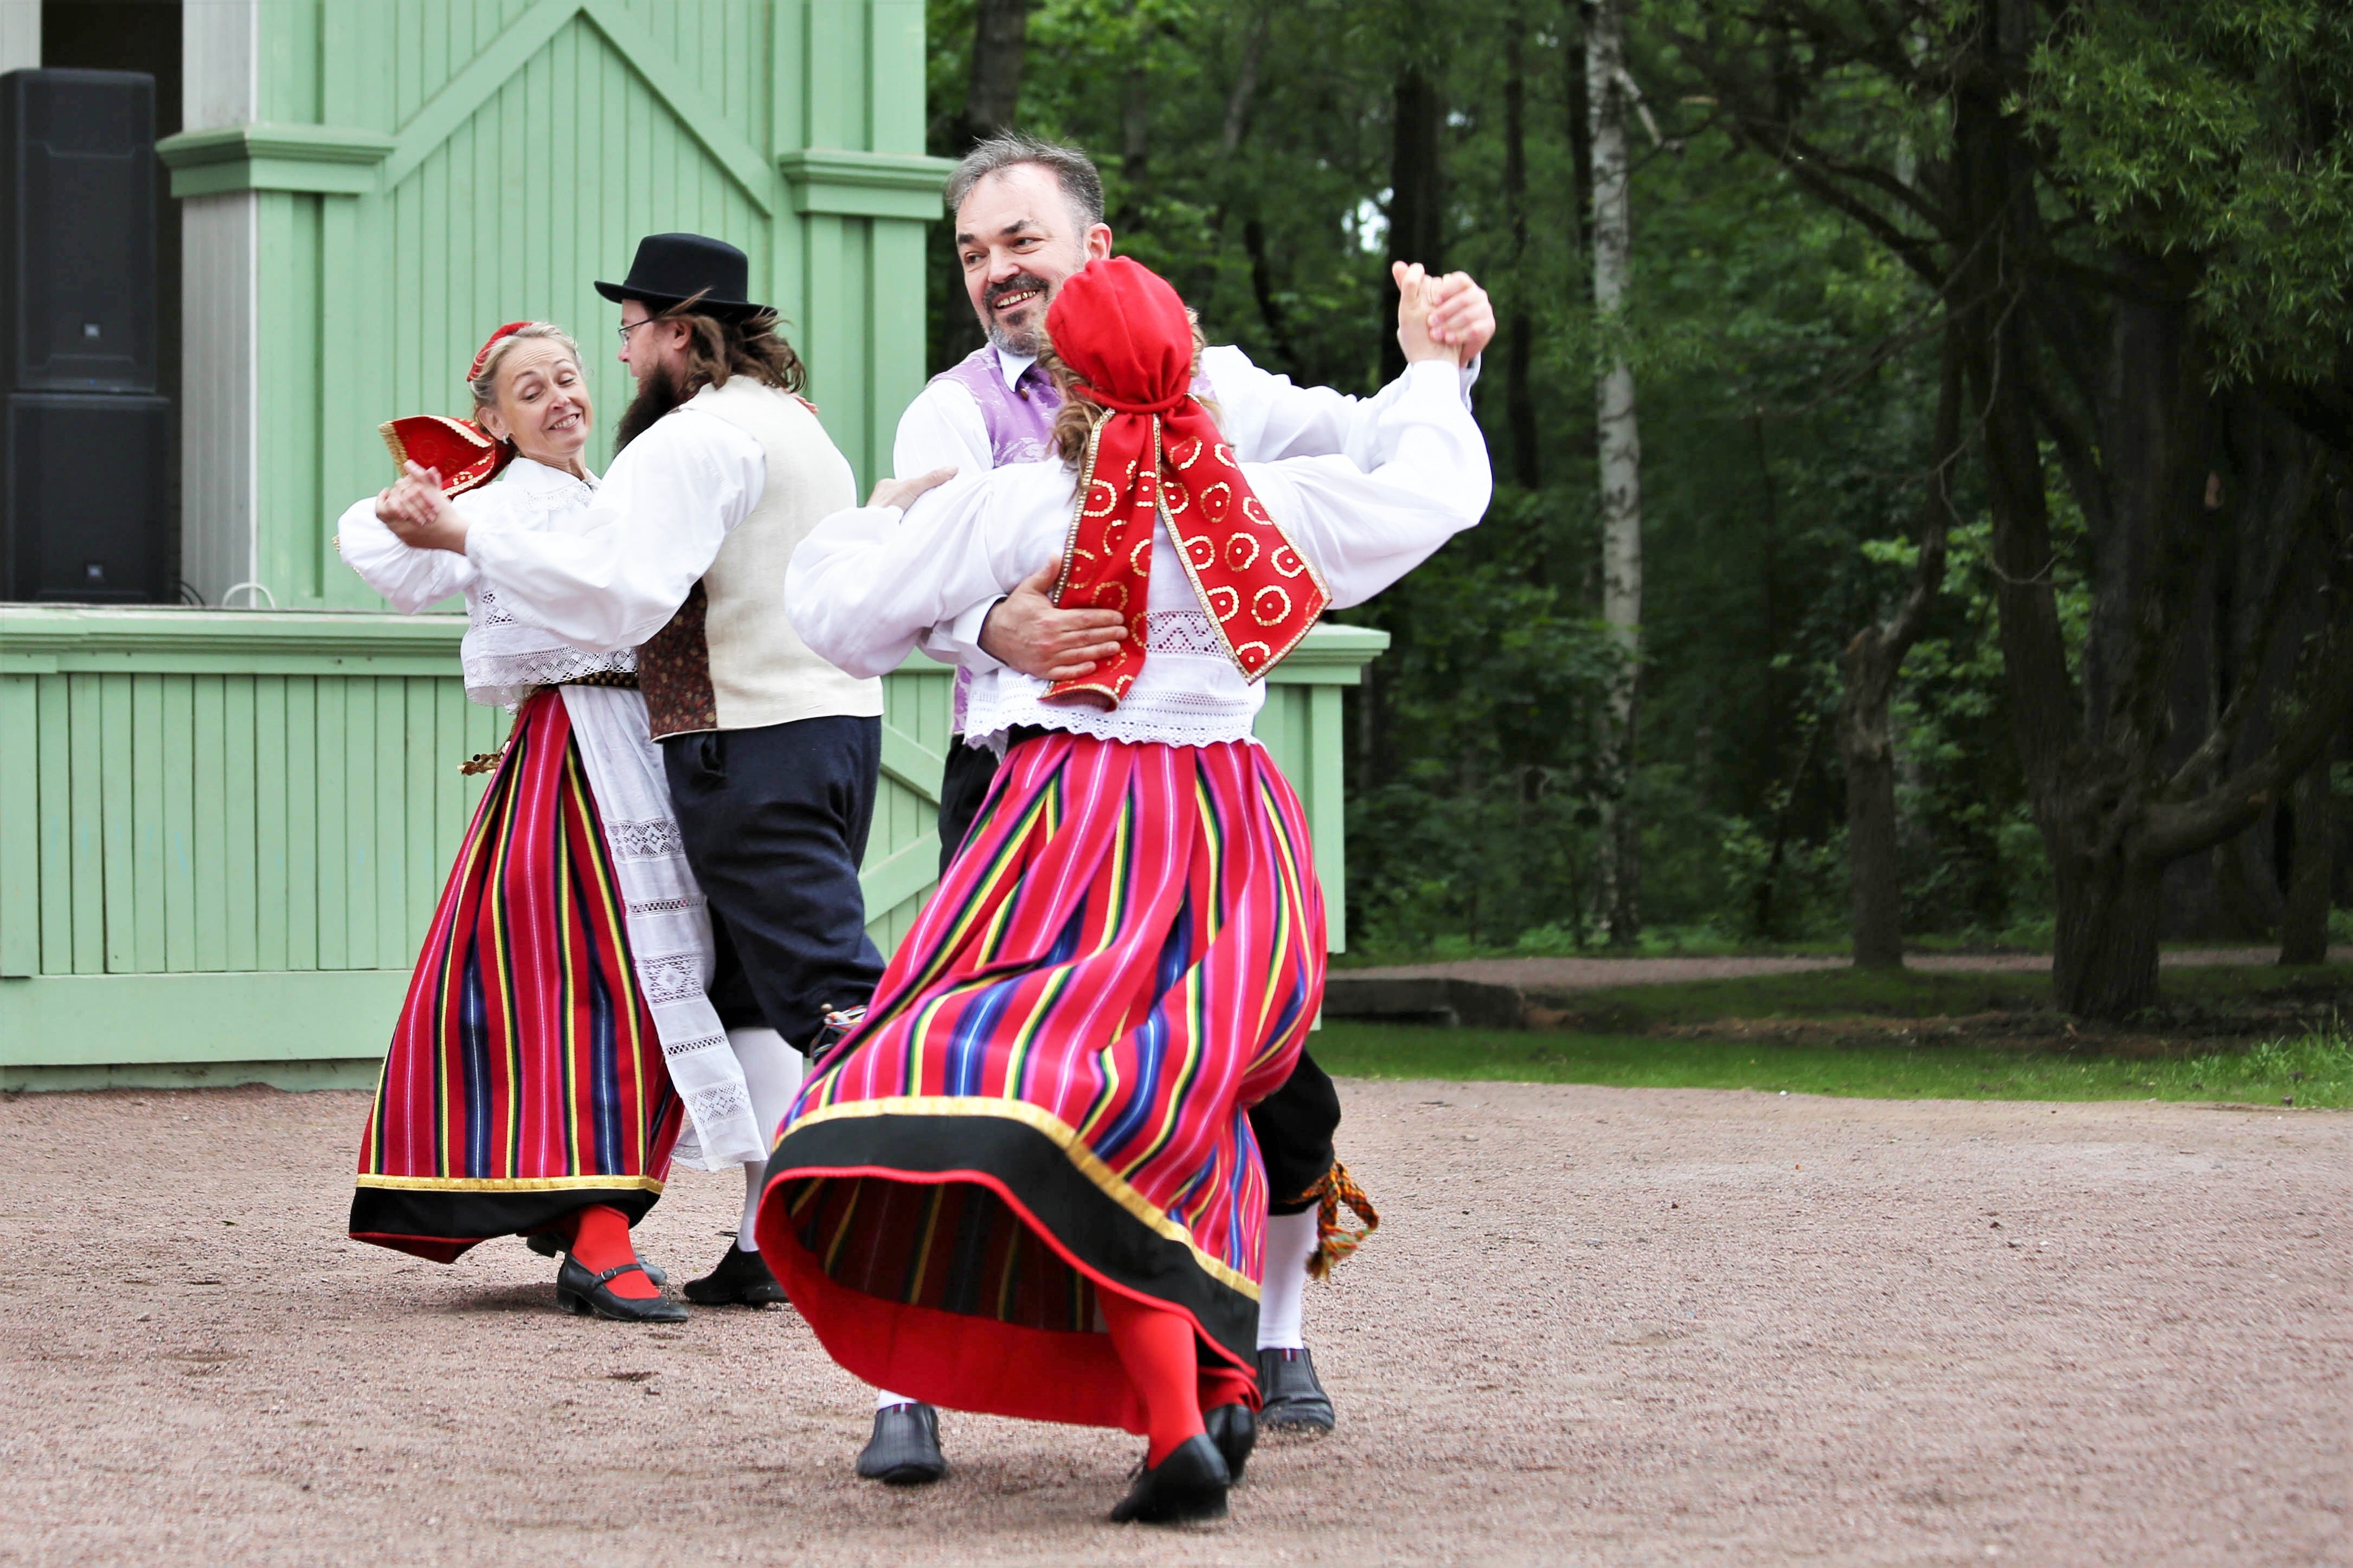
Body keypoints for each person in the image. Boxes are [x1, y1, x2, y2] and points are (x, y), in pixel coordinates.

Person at [761, 255, 1488, 1525]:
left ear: (1071, 384)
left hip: (1071, 832)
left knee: (1001, 1074)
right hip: (1229, 834)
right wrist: (1431, 368)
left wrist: (881, 517)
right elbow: (1439, 488)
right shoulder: (1273, 504)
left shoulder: (1019, 507)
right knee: (1179, 1102)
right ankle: (1206, 1400)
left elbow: (831, 611)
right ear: (1192, 363)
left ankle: (1173, 1407)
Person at [895, 131, 1495, 1436]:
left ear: (1095, 248)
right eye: (972, 253)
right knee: (974, 1064)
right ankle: (919, 1381)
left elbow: (1367, 442)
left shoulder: (1205, 378)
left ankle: (1272, 1340)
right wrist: (989, 625)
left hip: (1191, 794)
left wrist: (1436, 353)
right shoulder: (953, 413)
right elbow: (904, 579)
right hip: (1016, 785)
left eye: (1021, 244)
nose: (996, 273)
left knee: (1264, 1076)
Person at [374, 235, 941, 1479]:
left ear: (678, 332)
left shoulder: (683, 441)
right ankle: (760, 1236)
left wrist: (470, 542)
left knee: (809, 986)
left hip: (742, 731)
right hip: (799, 724)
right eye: (547, 378)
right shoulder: (788, 419)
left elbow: (628, 595)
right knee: (738, 984)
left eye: (619, 336)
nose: (607, 366)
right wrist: (460, 519)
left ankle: (884, 1225)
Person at [342, 321, 801, 1324]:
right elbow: (386, 555)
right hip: (574, 761)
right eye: (531, 389)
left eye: (569, 377)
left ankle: (696, 1223)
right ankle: (598, 1237)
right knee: (585, 985)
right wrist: (412, 502)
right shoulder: (495, 498)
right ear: (493, 420)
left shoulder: (615, 491)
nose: (561, 398)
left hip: (656, 749)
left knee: (678, 985)